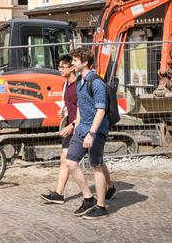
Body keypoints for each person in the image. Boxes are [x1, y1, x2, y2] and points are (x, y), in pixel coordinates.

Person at [65, 47, 116, 219]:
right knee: (71, 162)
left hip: (96, 130)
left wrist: (91, 134)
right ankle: (88, 198)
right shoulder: (79, 81)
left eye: (75, 60)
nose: (72, 63)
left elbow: (101, 110)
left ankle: (101, 207)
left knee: (96, 166)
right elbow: (81, 107)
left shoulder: (96, 82)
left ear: (85, 62)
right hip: (81, 130)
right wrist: (75, 126)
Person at [40, 54, 78, 204]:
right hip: (70, 126)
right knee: (64, 160)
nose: (59, 69)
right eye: (59, 66)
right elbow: (69, 105)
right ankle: (59, 193)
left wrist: (73, 124)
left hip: (80, 127)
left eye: (62, 67)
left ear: (72, 67)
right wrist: (64, 112)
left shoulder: (80, 84)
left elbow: (84, 109)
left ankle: (109, 186)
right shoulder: (65, 85)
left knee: (97, 163)